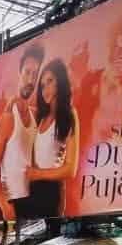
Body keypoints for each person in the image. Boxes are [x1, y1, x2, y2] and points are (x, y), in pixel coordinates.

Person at [0, 43, 43, 222]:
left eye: (35, 75)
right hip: (10, 204)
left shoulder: (35, 115)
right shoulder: (8, 118)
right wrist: (3, 204)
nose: (31, 79)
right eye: (27, 72)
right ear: (19, 74)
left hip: (32, 202)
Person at [22, 58, 79, 219]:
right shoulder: (40, 117)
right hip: (31, 189)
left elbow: (71, 169)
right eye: (42, 85)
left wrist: (37, 174)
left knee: (46, 241)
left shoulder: (69, 114)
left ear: (60, 82)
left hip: (51, 192)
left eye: (50, 81)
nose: (45, 89)